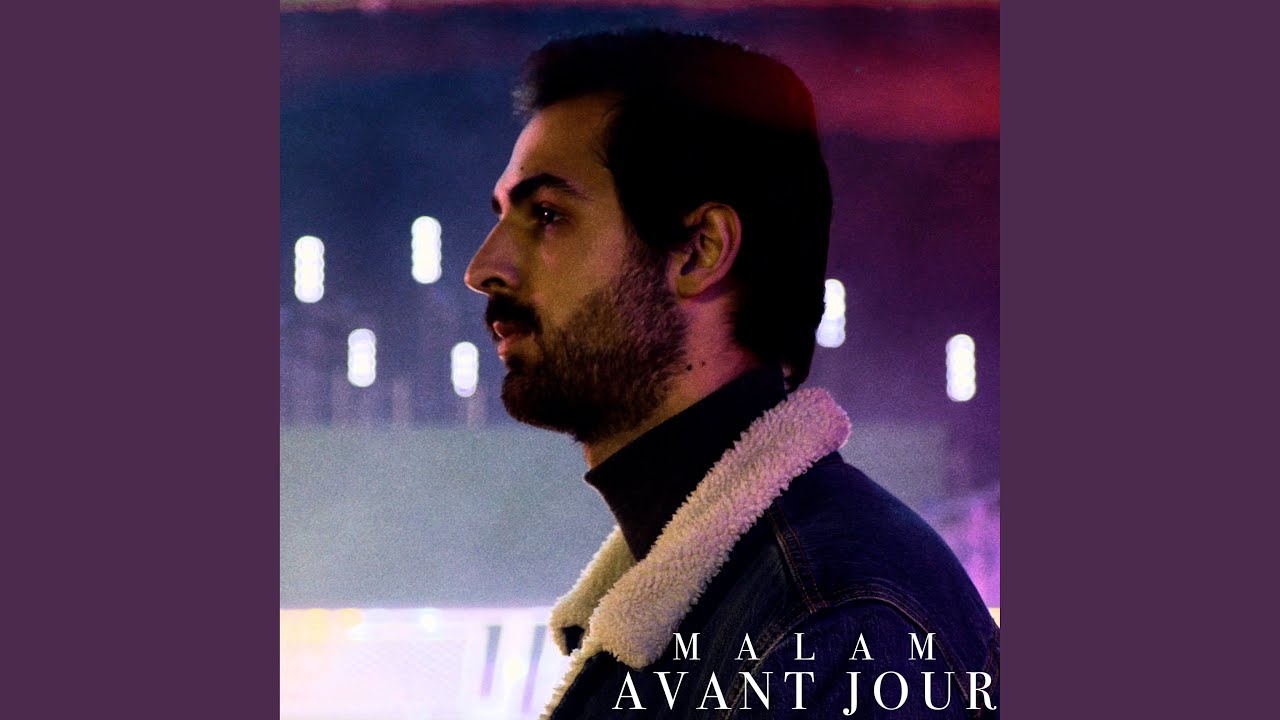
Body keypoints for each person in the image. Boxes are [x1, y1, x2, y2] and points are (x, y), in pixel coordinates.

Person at [464, 29, 999, 719]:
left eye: (546, 215)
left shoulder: (838, 626)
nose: (483, 269)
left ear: (700, 250)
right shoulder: (730, 600)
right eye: (504, 216)